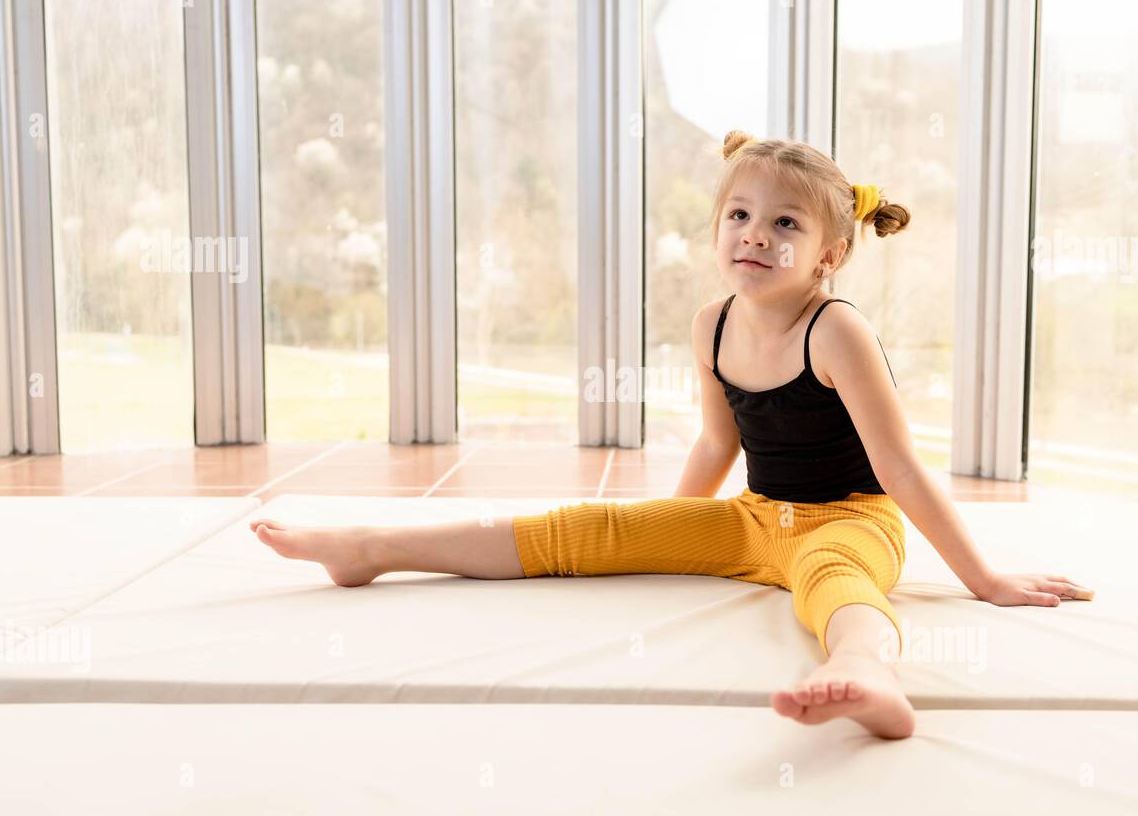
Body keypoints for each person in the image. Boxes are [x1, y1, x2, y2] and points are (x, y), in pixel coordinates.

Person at [251, 129, 1093, 739]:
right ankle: (371, 547)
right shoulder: (711, 323)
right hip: (755, 516)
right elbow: (717, 448)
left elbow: (901, 471)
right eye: (738, 214)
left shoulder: (836, 332)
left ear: (830, 254)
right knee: (586, 527)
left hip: (848, 521)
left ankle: (864, 675)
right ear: (718, 227)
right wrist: (659, 536)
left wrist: (984, 580)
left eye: (786, 225)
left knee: (836, 587)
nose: (755, 235)